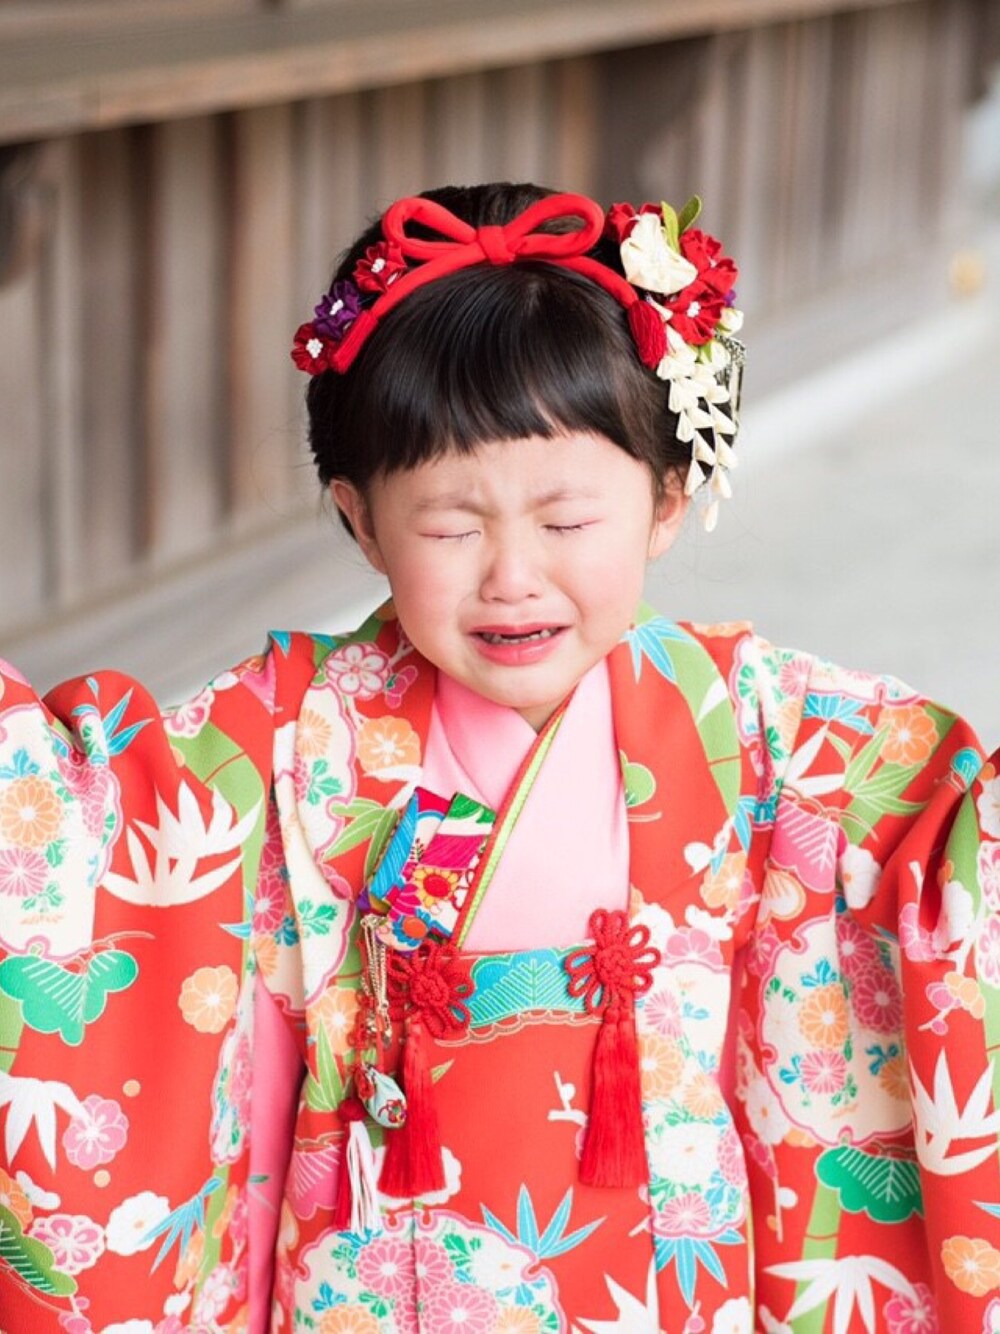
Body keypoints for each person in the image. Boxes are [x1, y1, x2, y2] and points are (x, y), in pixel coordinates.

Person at [0, 180, 997, 1334]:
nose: (512, 575)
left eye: (565, 521)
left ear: (667, 500)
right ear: (361, 520)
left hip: (659, 1279)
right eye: (450, 525)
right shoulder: (293, 727)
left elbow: (945, 845)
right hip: (378, 1283)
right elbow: (72, 832)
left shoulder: (762, 728)